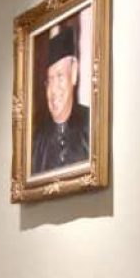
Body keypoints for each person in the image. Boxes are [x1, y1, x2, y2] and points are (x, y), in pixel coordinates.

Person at [32, 26, 90, 175]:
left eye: (59, 76)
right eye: (49, 80)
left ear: (74, 73)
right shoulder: (37, 139)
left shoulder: (91, 124)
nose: (53, 90)